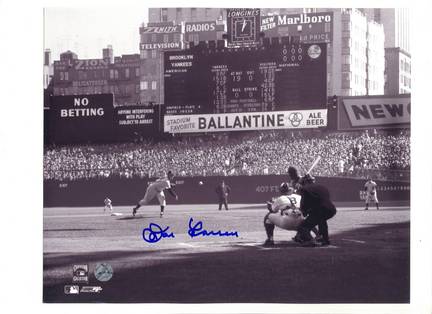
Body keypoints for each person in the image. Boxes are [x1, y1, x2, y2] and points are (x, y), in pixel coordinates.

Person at [296, 174, 337, 246]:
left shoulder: (305, 189)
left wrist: (304, 212)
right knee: (322, 221)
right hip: (331, 210)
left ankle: (310, 241)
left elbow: (304, 203)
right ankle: (325, 240)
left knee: (302, 227)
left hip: (319, 210)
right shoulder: (323, 187)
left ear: (304, 182)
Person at [263, 182, 304, 247]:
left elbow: (273, 210)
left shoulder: (280, 198)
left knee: (268, 216)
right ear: (291, 189)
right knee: (308, 218)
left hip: (287, 222)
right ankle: (314, 236)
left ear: (281, 190)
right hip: (301, 222)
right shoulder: (299, 197)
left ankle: (270, 239)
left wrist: (270, 206)